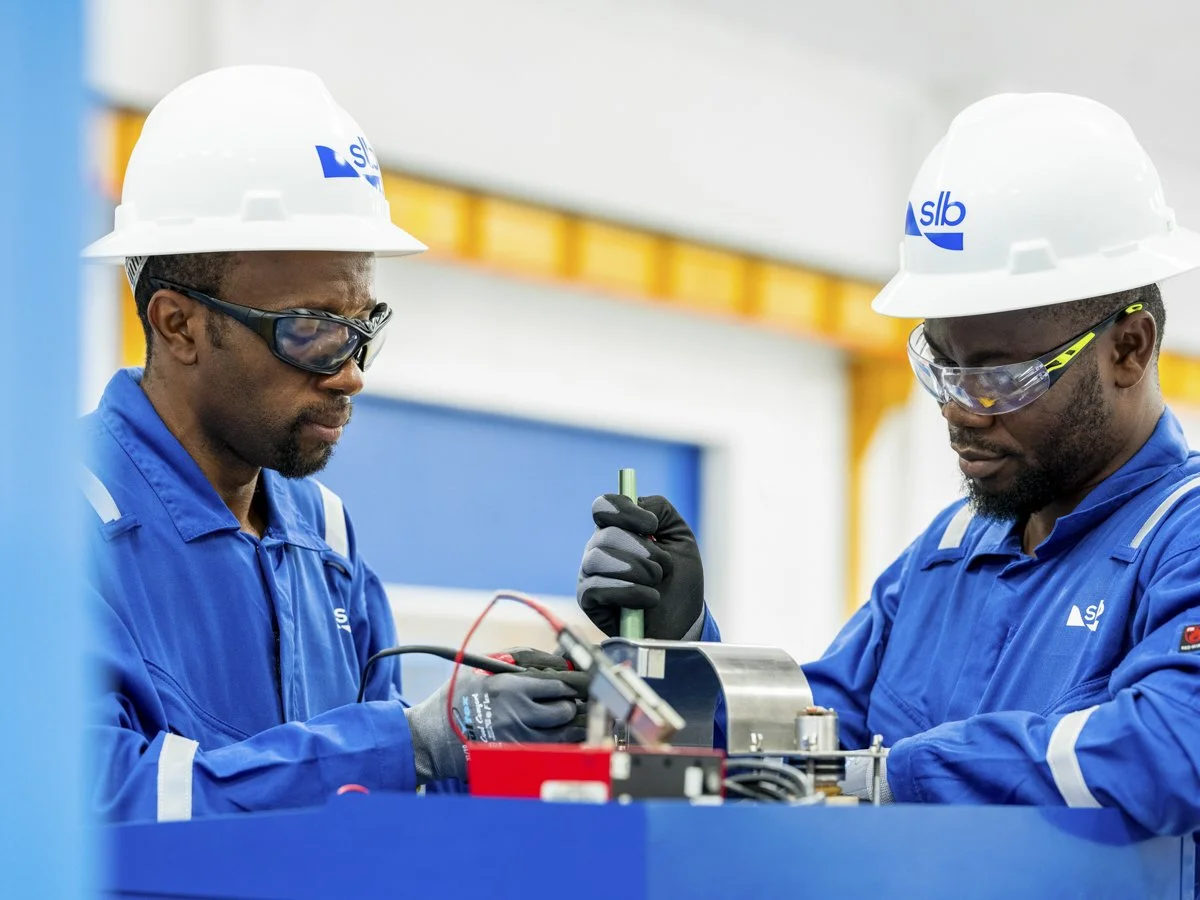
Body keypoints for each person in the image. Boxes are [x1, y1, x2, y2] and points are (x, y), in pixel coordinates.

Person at [578, 93, 1200, 843]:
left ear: (1128, 348)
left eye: (1001, 379)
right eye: (940, 366)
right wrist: (683, 645)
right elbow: (808, 738)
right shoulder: (953, 549)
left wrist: (896, 775)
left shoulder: (1180, 540)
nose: (960, 411)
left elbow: (1167, 751)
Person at [82, 65, 584, 822]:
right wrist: (406, 744)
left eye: (363, 329)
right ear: (177, 324)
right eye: (309, 330)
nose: (349, 374)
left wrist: (490, 735)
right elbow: (93, 798)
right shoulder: (51, 525)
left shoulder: (324, 535)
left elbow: (378, 804)